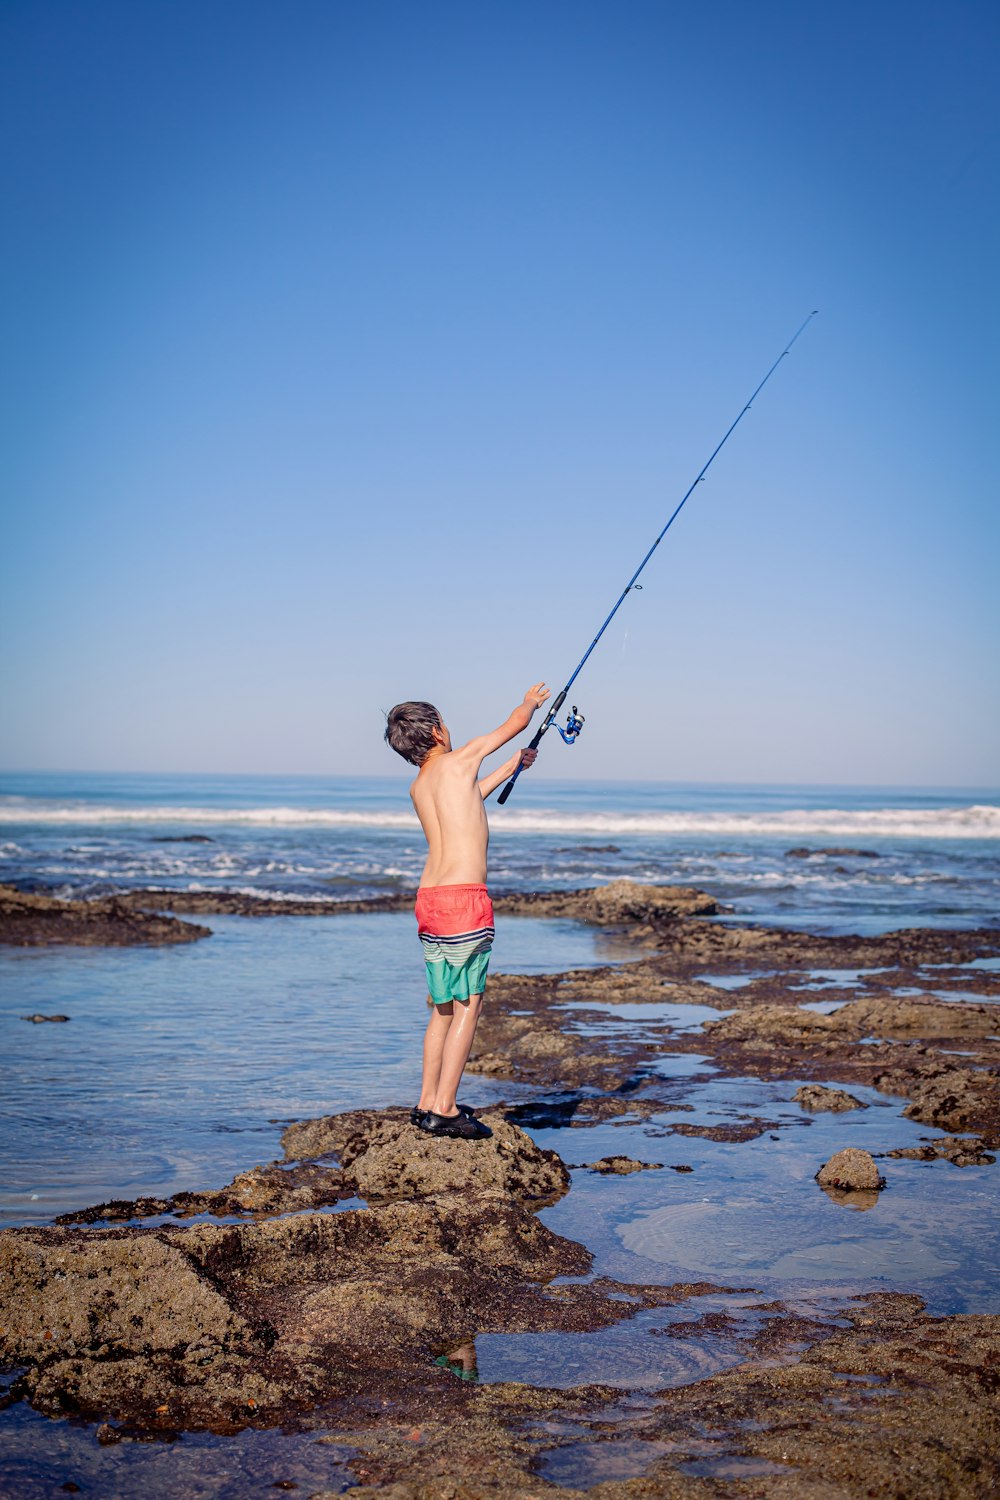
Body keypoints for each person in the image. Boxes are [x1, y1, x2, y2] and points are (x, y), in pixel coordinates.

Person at [384, 684, 550, 1138]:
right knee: (468, 1007)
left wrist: (514, 764)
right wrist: (530, 705)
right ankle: (446, 1107)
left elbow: (468, 796)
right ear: (438, 731)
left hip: (430, 901)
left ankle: (424, 1103)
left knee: (441, 1007)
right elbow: (515, 725)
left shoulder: (420, 787)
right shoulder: (458, 761)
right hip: (464, 901)